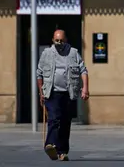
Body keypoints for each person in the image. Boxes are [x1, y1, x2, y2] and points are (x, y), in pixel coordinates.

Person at [36, 29, 89, 161]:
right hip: (52, 92)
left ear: (66, 40)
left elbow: (83, 70)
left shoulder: (73, 53)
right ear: (53, 40)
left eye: (61, 40)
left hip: (68, 93)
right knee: (54, 118)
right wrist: (41, 93)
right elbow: (39, 73)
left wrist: (85, 89)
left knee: (65, 123)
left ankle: (62, 152)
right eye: (57, 40)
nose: (59, 43)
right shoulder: (47, 53)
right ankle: (50, 144)